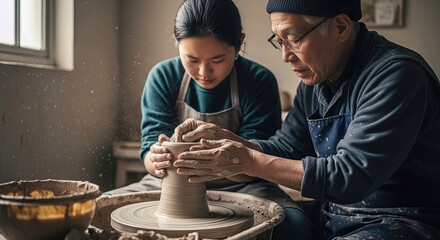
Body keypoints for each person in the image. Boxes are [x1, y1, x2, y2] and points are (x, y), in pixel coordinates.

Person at [168, 0, 440, 239]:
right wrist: (229, 144)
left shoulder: (397, 75)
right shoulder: (317, 80)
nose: (285, 55)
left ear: (341, 27)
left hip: (403, 220)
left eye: (293, 38)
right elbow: (287, 149)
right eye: (279, 40)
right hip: (335, 216)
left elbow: (350, 176)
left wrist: (248, 159)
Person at [105, 0, 312, 239]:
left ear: (238, 45)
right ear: (177, 43)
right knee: (97, 208)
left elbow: (259, 157)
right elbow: (150, 147)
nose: (204, 72)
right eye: (192, 60)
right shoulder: (163, 77)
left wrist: (225, 160)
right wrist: (157, 158)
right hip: (170, 183)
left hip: (244, 184)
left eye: (217, 60)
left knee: (294, 225)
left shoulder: (258, 80)